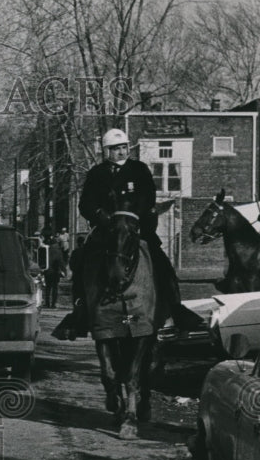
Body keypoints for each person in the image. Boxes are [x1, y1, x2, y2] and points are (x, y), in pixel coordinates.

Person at [54, 128, 206, 340]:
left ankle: (175, 308)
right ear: (107, 151)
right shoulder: (97, 173)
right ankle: (79, 311)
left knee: (161, 261)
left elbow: (148, 196)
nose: (121, 152)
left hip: (137, 227)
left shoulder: (139, 169)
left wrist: (134, 216)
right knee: (81, 259)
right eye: (116, 149)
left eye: (124, 147)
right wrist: (100, 214)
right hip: (106, 229)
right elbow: (86, 203)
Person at [43, 242, 66, 308]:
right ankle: (53, 304)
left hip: (47, 271)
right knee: (55, 288)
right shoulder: (58, 251)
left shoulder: (47, 250)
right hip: (56, 272)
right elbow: (61, 262)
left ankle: (47, 303)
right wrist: (64, 271)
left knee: (48, 288)